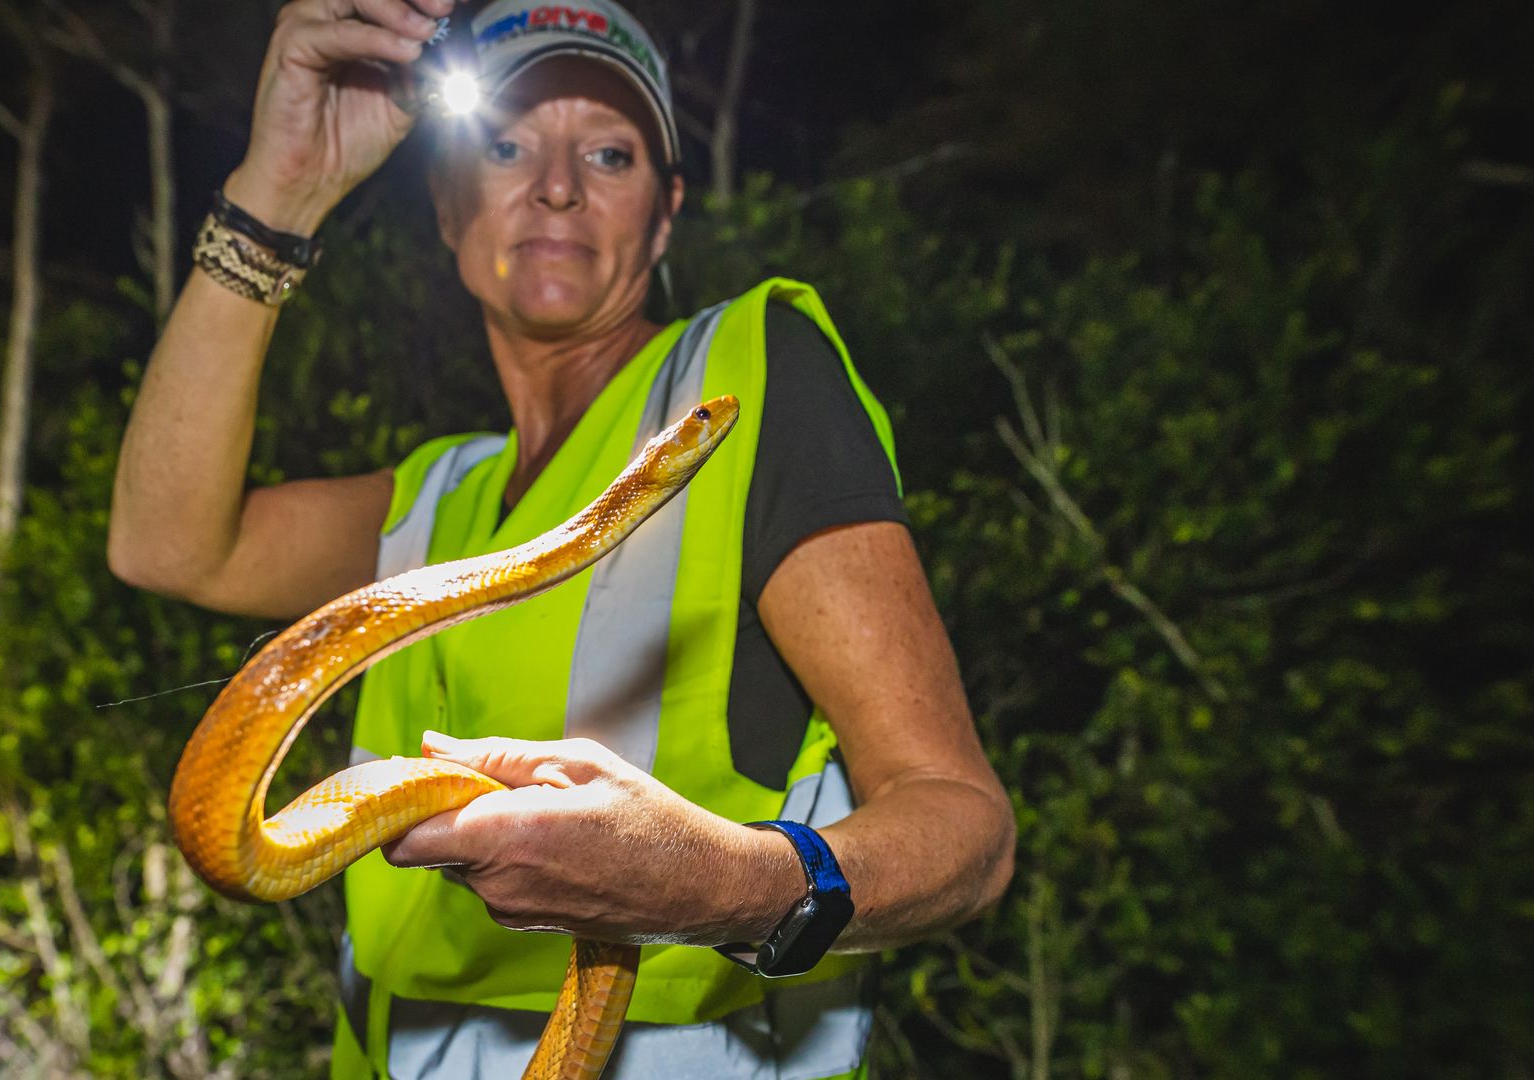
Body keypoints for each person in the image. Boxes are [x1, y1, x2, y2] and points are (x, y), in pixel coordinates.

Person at [107, 0, 1015, 1074]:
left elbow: (967, 829)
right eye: (505, 145)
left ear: (666, 215)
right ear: (447, 208)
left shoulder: (746, 376)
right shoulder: (439, 492)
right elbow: (163, 546)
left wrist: (720, 884)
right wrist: (280, 189)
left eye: (610, 151)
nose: (556, 185)